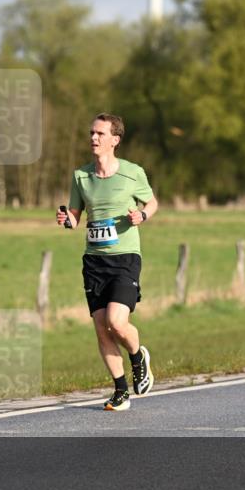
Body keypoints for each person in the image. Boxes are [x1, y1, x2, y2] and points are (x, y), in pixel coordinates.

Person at [56, 113, 158, 411]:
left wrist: (142, 215)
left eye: (100, 133)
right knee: (102, 327)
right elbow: (75, 218)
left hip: (125, 258)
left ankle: (138, 356)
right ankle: (120, 390)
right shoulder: (81, 176)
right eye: (91, 133)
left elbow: (151, 202)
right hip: (94, 261)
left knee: (116, 321)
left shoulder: (132, 173)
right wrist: (66, 219)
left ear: (115, 139)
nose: (93, 138)